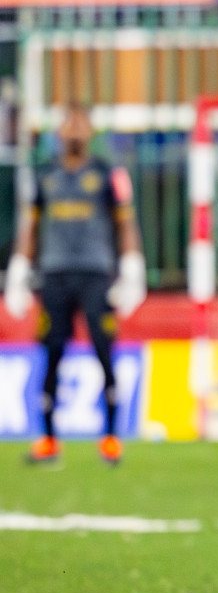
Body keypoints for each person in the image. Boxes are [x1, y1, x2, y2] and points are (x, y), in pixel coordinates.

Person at [5, 103, 146, 466]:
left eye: (81, 123)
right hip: (54, 275)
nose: (75, 131)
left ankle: (112, 437)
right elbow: (30, 227)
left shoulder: (107, 174)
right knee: (52, 353)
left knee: (104, 350)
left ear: (91, 131)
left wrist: (132, 266)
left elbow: (125, 223)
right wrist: (19, 269)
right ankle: (49, 439)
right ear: (59, 131)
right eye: (69, 123)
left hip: (96, 275)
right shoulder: (45, 175)